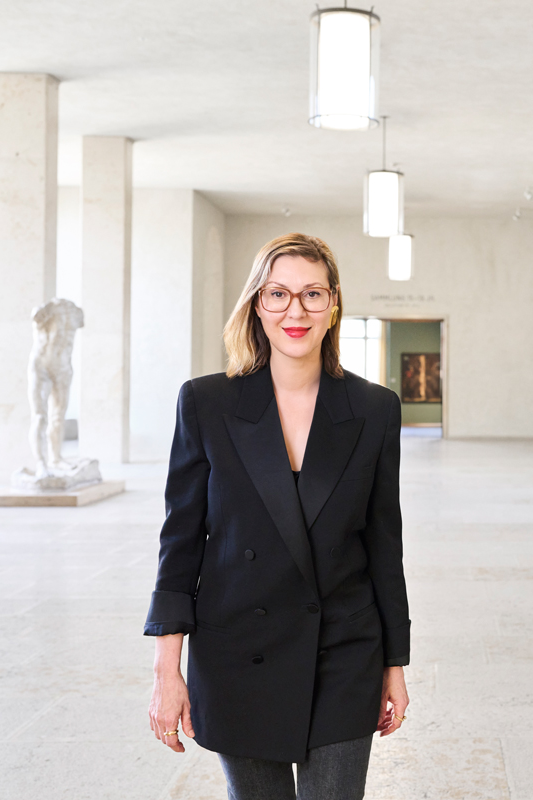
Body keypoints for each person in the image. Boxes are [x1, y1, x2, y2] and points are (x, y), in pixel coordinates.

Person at [144, 233, 411, 800]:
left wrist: (394, 662)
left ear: (334, 303)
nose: (296, 310)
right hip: (239, 650)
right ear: (256, 304)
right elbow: (181, 544)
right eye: (279, 294)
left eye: (313, 294)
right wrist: (168, 671)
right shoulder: (206, 403)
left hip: (342, 648)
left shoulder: (375, 409)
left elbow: (385, 544)